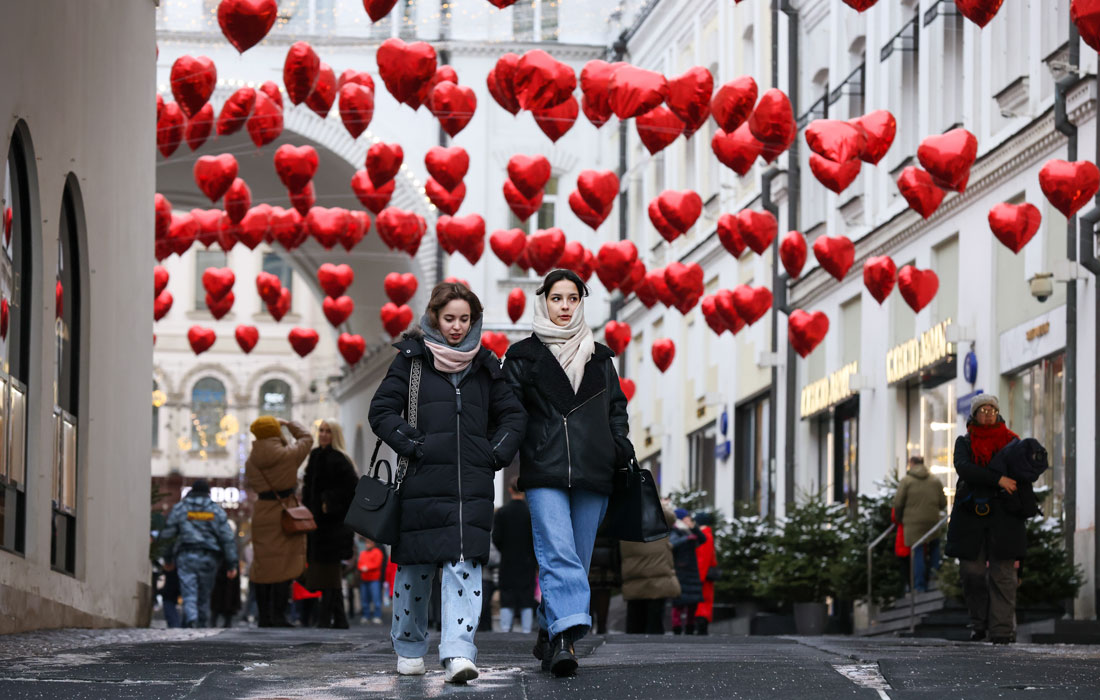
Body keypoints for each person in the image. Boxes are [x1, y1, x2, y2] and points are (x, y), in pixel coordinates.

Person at [369, 281, 526, 684]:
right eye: (449, 318)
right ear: (435, 318)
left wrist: (494, 455)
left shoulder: (487, 366)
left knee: (465, 569)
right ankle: (408, 646)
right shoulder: (412, 361)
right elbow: (382, 410)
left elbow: (514, 417)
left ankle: (458, 652)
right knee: (415, 571)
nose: (457, 327)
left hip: (469, 487)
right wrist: (413, 443)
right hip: (421, 482)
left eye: (464, 319)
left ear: (473, 320)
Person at [502, 269, 634, 677]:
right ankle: (565, 640)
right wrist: (504, 451)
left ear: (580, 303)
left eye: (572, 299)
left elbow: (616, 411)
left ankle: (548, 628)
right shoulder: (523, 356)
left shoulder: (600, 357)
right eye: (557, 298)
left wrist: (619, 447)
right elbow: (509, 412)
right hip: (544, 469)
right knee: (558, 552)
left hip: (595, 470)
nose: (564, 306)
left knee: (576, 556)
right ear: (544, 301)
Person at [945, 395, 1024, 644]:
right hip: (972, 519)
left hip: (1004, 518)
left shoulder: (1011, 441)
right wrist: (997, 479)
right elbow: (964, 467)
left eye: (992, 410)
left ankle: (1001, 630)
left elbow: (1021, 472)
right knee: (972, 572)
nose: (988, 414)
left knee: (1003, 575)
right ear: (974, 415)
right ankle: (979, 622)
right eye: (983, 410)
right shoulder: (964, 442)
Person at [245, 416, 313, 628]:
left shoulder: (251, 461)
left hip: (262, 513)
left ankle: (263, 616)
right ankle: (279, 615)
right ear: (276, 431)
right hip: (285, 512)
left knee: (262, 566)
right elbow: (307, 438)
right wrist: (289, 424)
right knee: (284, 566)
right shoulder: (288, 455)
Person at [302, 418, 359, 629]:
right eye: (321, 430)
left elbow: (352, 490)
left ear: (335, 435)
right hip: (317, 526)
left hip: (334, 526)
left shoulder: (340, 460)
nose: (323, 434)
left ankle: (326, 617)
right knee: (324, 573)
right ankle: (339, 618)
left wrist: (329, 501)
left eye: (328, 431)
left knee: (330, 573)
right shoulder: (315, 455)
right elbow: (309, 487)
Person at [159, 479, 238, 628]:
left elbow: (168, 534)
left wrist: (168, 558)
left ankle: (191, 620)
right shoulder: (215, 510)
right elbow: (227, 538)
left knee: (188, 591)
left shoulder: (181, 508)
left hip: (186, 555)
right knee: (204, 594)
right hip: (210, 558)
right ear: (208, 492)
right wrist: (231, 563)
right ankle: (201, 623)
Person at [620, 501, 679, 634]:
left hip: (633, 571)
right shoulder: (655, 511)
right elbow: (671, 518)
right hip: (657, 571)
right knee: (655, 621)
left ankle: (633, 648)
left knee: (635, 621)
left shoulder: (626, 510)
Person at [894, 455, 948, 593]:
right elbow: (943, 503)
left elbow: (898, 503)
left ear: (911, 463)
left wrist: (900, 519)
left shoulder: (906, 481)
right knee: (934, 546)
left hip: (912, 523)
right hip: (932, 521)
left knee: (917, 551)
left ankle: (919, 586)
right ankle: (934, 577)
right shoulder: (935, 481)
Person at [492, 478, 538, 634]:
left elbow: (496, 538)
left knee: (507, 594)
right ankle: (526, 629)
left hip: (508, 560)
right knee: (526, 595)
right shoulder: (531, 513)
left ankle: (505, 629)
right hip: (528, 560)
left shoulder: (502, 512)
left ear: (510, 490)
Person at [669, 509, 707, 635]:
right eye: (686, 518)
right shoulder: (675, 530)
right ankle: (677, 626)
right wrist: (687, 538)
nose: (688, 520)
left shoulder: (689, 529)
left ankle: (690, 626)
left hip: (692, 570)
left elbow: (703, 539)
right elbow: (672, 543)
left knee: (693, 601)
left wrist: (694, 527)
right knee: (679, 601)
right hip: (680, 570)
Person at [588, 526, 621, 635]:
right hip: (607, 550)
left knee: (588, 589)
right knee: (603, 591)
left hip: (589, 548)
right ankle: (601, 626)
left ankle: (589, 624)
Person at [692, 511, 719, 635]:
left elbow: (702, 559)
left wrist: (699, 579)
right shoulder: (708, 534)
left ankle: (701, 628)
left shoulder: (704, 536)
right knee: (705, 603)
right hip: (706, 576)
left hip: (703, 577)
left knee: (702, 603)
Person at [357, 537, 386, 624]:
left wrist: (367, 567)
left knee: (376, 599)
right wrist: (364, 567)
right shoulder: (363, 553)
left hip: (374, 579)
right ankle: (366, 615)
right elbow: (359, 564)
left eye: (368, 543)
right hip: (364, 579)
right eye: (366, 543)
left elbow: (377, 564)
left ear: (373, 544)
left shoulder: (377, 552)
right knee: (364, 599)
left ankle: (377, 616)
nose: (367, 545)